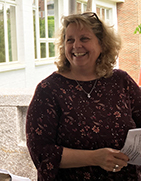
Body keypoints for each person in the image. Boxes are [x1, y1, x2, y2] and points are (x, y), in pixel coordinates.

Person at [26, 12, 141, 180]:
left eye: (84, 39)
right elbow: (41, 152)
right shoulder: (48, 90)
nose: (76, 45)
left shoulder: (121, 81)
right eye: (70, 40)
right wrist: (95, 158)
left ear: (102, 45)